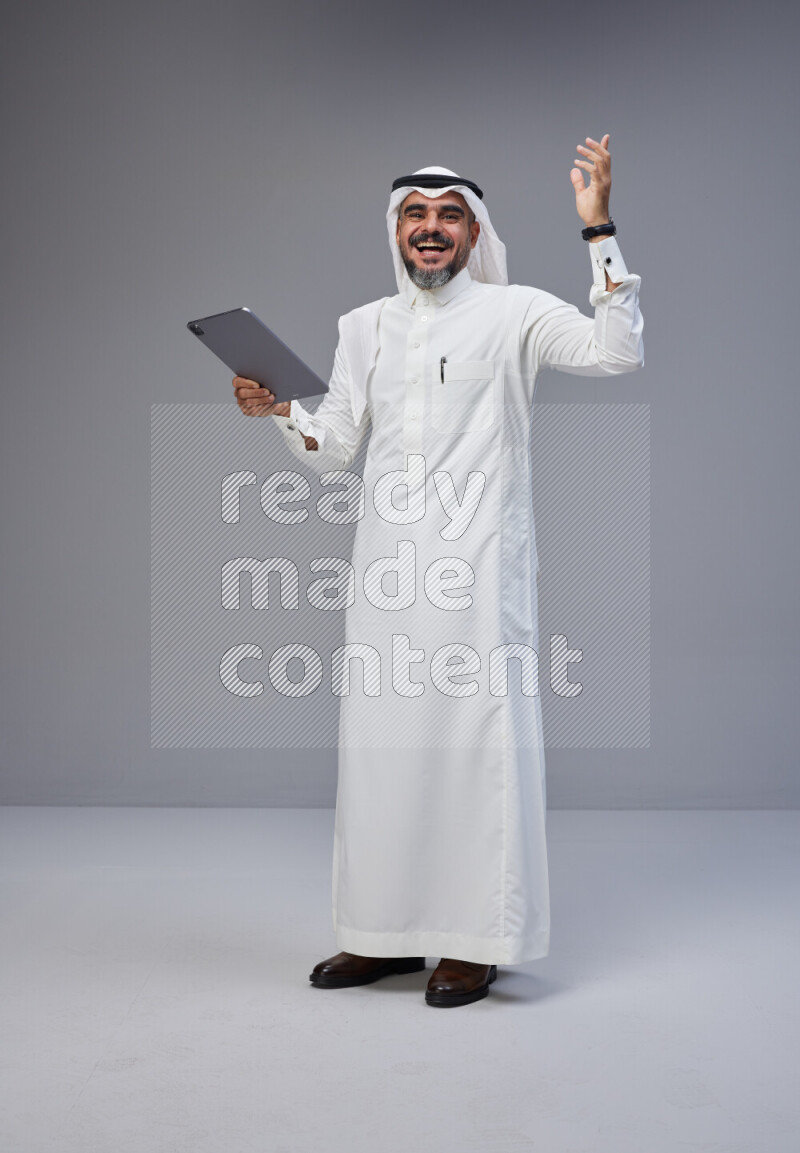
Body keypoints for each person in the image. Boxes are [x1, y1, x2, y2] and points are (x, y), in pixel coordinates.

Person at [233, 135, 644, 1008]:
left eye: (448, 215)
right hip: (386, 572)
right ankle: (381, 936)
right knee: (383, 753)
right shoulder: (361, 327)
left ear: (471, 232)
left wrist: (598, 227)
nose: (430, 228)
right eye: (415, 215)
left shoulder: (515, 312)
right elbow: (334, 449)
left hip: (481, 573)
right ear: (395, 231)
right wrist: (279, 411)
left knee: (474, 749)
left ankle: (474, 939)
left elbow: (616, 353)